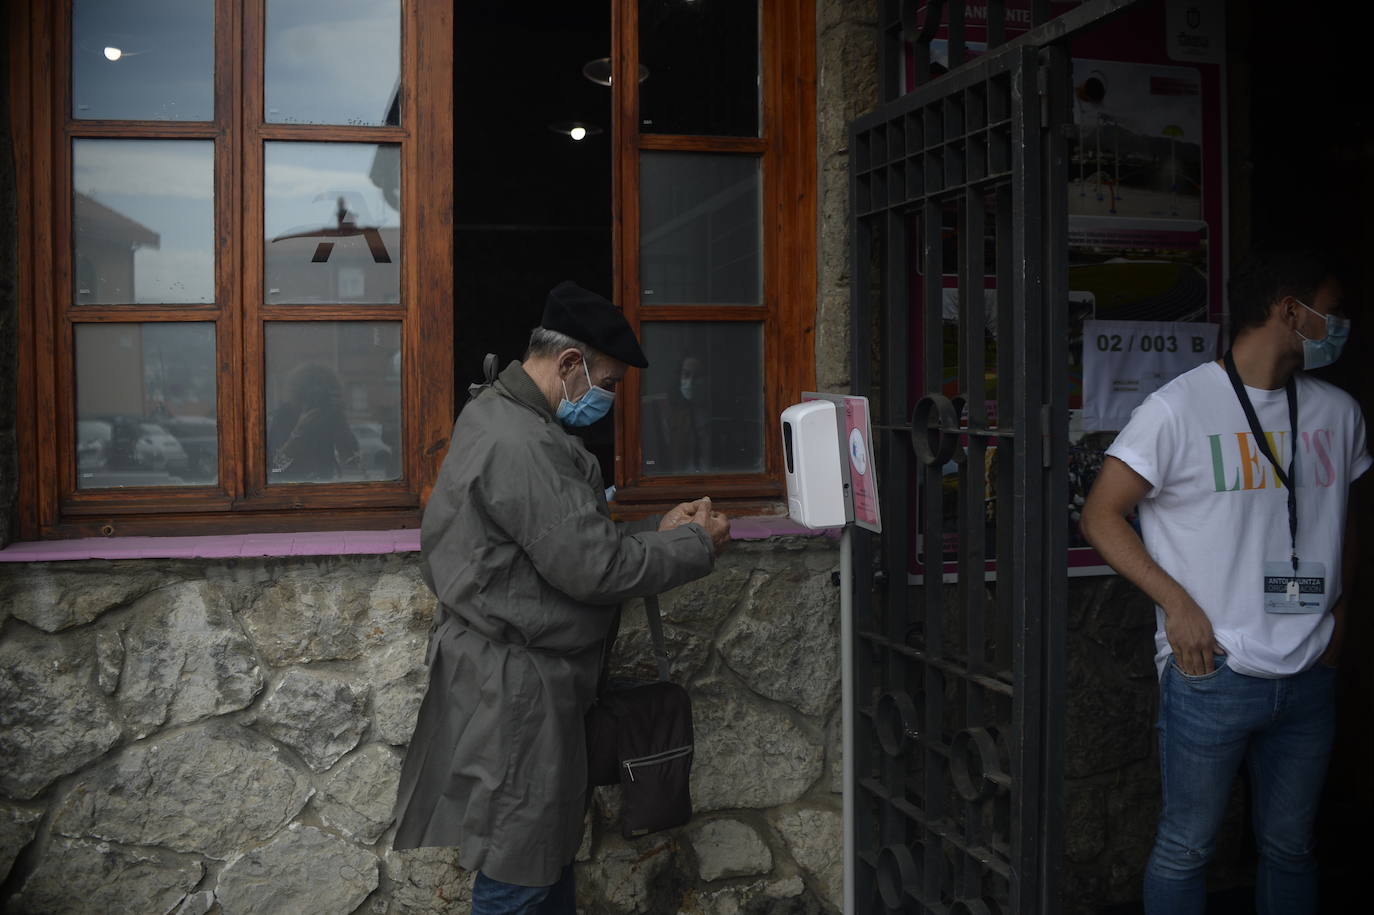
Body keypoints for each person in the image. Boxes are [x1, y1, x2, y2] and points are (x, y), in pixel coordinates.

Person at [391, 281, 731, 914]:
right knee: (519, 874)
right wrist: (695, 546)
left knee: (542, 863)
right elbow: (593, 569)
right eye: (609, 383)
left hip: (516, 677)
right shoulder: (526, 444)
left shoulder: (498, 413)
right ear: (570, 364)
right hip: (520, 691)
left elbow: (557, 543)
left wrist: (653, 537)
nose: (609, 397)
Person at [1080, 247, 1367, 914]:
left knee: (1292, 848)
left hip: (1310, 673)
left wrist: (1339, 626)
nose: (1342, 323)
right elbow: (1101, 514)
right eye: (1334, 310)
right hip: (1213, 669)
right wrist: (1178, 606)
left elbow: (1343, 526)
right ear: (1291, 312)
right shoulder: (1177, 408)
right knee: (1186, 848)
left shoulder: (1338, 412)